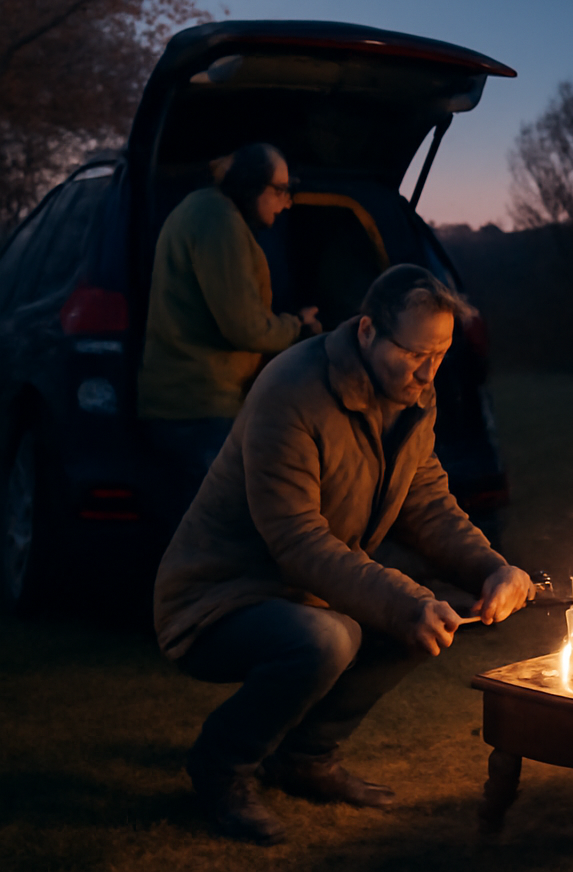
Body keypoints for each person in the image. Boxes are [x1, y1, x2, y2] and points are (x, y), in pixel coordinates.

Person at [153, 264, 535, 845]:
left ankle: (305, 757)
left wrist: (493, 568)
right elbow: (295, 539)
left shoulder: (412, 399)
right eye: (414, 353)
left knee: (438, 617)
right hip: (218, 597)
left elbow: (427, 505)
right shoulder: (291, 393)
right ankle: (220, 768)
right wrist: (403, 600)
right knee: (335, 636)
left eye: (441, 354)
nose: (429, 372)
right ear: (366, 333)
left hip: (311, 592)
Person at [139, 142, 322, 531]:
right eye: (280, 190)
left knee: (191, 534)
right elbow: (244, 327)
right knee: (216, 538)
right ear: (251, 185)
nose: (286, 203)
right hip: (200, 407)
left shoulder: (204, 212)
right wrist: (298, 328)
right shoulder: (217, 220)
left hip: (187, 405)